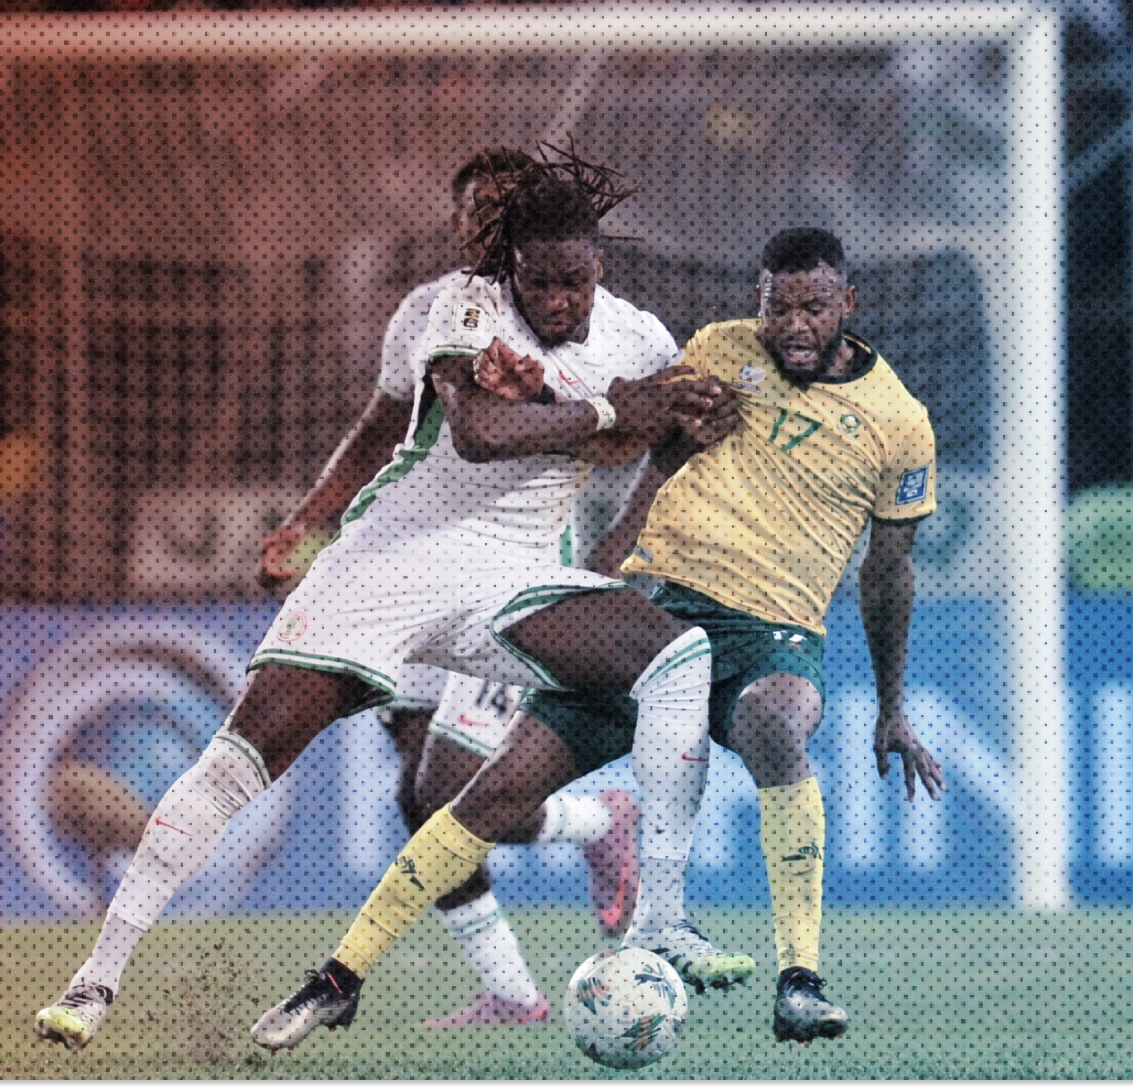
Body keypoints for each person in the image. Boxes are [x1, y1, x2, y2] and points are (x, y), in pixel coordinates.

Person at [36, 151, 743, 1053]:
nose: (557, 301)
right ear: (505, 260)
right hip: (387, 564)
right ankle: (95, 980)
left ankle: (658, 914)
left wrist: (646, 497)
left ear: (598, 262)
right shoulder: (464, 305)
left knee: (675, 653)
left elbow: (668, 437)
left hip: (517, 574)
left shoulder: (640, 338)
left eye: (575, 280)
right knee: (239, 763)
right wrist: (609, 411)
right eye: (539, 281)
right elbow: (484, 434)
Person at [253, 227, 946, 1051]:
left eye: (814, 307)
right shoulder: (721, 350)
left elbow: (889, 571)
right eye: (778, 306)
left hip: (774, 632)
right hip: (656, 609)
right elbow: (650, 454)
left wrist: (892, 707)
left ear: (848, 305)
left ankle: (799, 979)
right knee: (485, 793)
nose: (794, 324)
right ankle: (339, 977)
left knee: (773, 722)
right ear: (757, 301)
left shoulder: (899, 422)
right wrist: (610, 559)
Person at [260, 148, 648, 1029]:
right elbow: (373, 435)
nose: (482, 227)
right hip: (409, 572)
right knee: (413, 791)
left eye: (499, 213)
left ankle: (599, 822)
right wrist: (309, 524)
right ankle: (514, 990)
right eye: (471, 213)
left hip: (504, 581)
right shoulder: (426, 314)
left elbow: (624, 435)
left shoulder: (567, 323)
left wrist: (615, 549)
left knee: (445, 796)